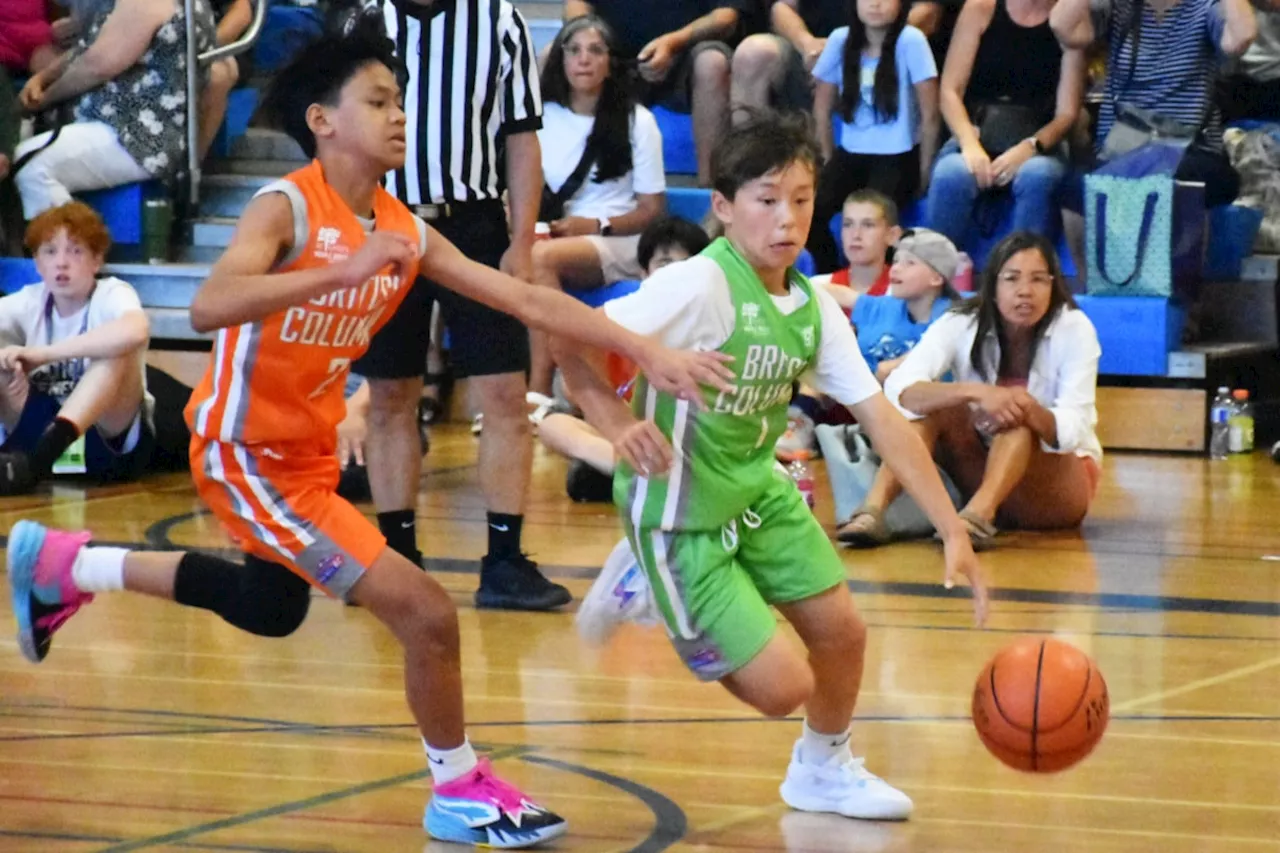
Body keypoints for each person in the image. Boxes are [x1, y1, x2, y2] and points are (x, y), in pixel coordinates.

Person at [4, 28, 732, 848]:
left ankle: (67, 564)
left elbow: (524, 299)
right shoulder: (285, 206)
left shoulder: (402, 227)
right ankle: (457, 787)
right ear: (323, 119)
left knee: (272, 604)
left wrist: (646, 349)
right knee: (425, 612)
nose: (399, 117)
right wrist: (339, 272)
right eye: (378, 101)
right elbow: (210, 306)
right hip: (246, 453)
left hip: (306, 456)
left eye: (400, 101)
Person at [555, 113, 989, 822]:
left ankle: (823, 766)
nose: (786, 218)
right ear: (722, 207)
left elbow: (881, 415)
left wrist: (952, 528)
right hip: (679, 511)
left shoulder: (814, 303)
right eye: (766, 199)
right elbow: (565, 332)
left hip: (756, 490)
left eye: (801, 198)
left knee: (844, 632)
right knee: (781, 687)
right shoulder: (697, 287)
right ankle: (643, 575)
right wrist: (615, 422)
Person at [360, 0, 562, 612]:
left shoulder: (500, 20)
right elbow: (336, 137)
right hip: (383, 221)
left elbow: (521, 137)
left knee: (503, 394)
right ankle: (396, 556)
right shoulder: (367, 21)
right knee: (390, 395)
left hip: (473, 223)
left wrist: (522, 242)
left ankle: (504, 559)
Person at [838, 231, 1101, 548]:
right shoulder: (961, 320)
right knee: (933, 408)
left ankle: (977, 517)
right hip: (979, 468)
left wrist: (1027, 407)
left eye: (1038, 280)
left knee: (1016, 418)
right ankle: (872, 512)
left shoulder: (1075, 328)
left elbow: (1075, 427)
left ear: (1054, 285)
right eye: (1012, 279)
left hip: (1057, 487)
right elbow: (899, 388)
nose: (1025, 292)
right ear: (992, 285)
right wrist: (973, 393)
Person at [528, 15, 667, 398]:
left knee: (541, 259)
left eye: (595, 51)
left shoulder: (638, 122)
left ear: (611, 62)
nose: (583, 60)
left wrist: (595, 225)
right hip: (554, 233)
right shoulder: (540, 115)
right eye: (573, 51)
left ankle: (539, 388)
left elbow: (652, 210)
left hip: (617, 237)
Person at [539, 215, 710, 502]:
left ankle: (635, 475)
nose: (673, 276)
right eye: (664, 265)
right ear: (644, 273)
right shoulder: (620, 319)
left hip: (687, 442)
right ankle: (629, 469)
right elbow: (575, 388)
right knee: (553, 426)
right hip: (628, 436)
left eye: (684, 267)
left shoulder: (708, 326)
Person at [13, 0, 216, 219]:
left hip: (138, 135)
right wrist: (44, 77)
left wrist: (46, 99)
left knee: (31, 163)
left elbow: (98, 65)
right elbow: (91, 46)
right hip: (115, 124)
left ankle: (70, 249)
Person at [0, 201, 152, 493]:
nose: (61, 263)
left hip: (105, 441)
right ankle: (23, 464)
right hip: (34, 436)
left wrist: (42, 354)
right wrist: (8, 358)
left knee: (117, 352)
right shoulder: (28, 300)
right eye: (50, 251)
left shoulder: (112, 293)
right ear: (37, 264)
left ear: (97, 261)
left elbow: (137, 330)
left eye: (75, 251)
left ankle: (40, 460)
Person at [1050, 0, 1255, 208]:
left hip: (1190, 148)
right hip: (1121, 148)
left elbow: (1239, 39)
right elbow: (1064, 28)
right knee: (1072, 186)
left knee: (1161, 180)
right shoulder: (1119, 7)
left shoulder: (1204, 7)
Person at [778, 227, 957, 461]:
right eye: (897, 261)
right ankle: (799, 422)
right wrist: (780, 282)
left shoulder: (952, 316)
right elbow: (838, 294)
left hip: (918, 412)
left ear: (937, 277)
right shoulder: (887, 306)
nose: (897, 268)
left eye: (910, 263)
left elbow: (938, 351)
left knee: (889, 371)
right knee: (824, 356)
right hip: (863, 403)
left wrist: (894, 367)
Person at [925, 0, 1084, 246]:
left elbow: (1067, 114)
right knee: (951, 173)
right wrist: (969, 143)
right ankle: (932, 270)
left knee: (1037, 176)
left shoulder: (1067, 17)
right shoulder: (981, 8)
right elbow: (950, 90)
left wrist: (1029, 147)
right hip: (978, 130)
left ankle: (1021, 269)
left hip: (1038, 141)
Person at [805, 0, 940, 273]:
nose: (875, 4)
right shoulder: (840, 39)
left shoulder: (911, 40)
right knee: (809, 213)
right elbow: (821, 108)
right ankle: (830, 274)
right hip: (851, 151)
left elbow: (930, 115)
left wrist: (926, 171)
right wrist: (829, 159)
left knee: (875, 218)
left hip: (898, 155)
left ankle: (882, 282)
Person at [562, 0, 754, 185]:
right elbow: (577, 4)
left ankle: (712, 190)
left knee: (711, 63)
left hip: (688, 51)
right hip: (613, 53)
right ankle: (564, 189)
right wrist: (592, 42)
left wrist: (673, 42)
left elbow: (726, 17)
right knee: (553, 59)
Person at [809, 189, 901, 303]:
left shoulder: (904, 292)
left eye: (868, 225)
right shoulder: (818, 287)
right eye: (848, 224)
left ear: (892, 235)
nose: (856, 235)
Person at [198, 0, 253, 161]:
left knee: (218, 75)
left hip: (210, 47)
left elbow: (241, 14)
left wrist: (202, 49)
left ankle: (189, 170)